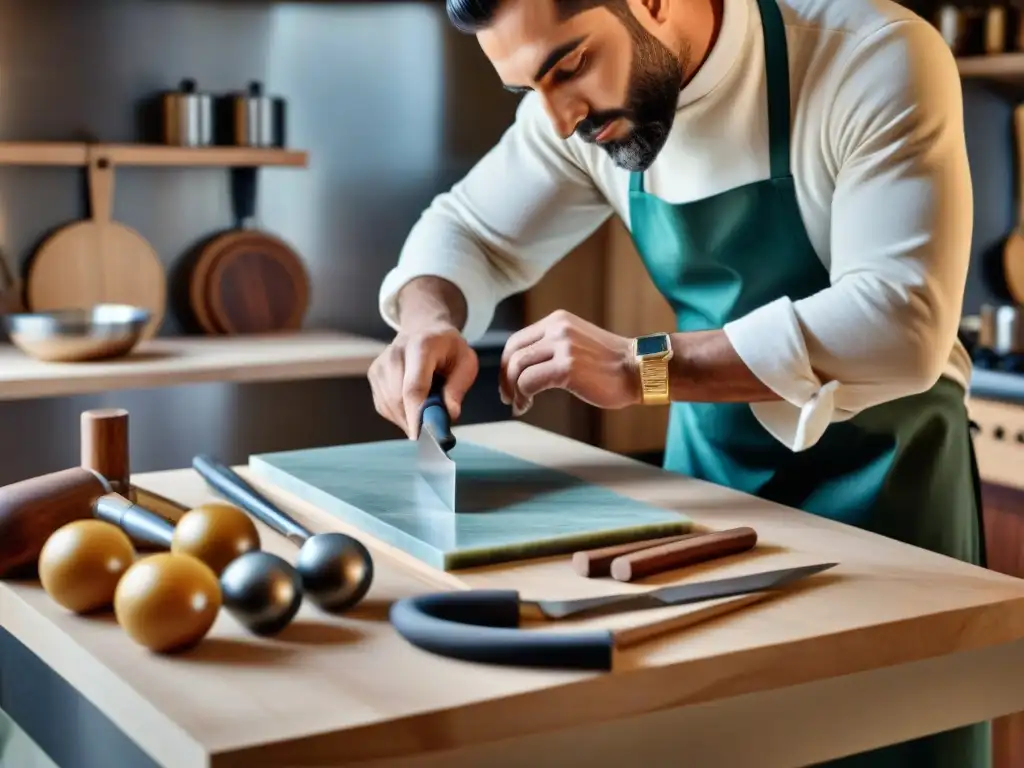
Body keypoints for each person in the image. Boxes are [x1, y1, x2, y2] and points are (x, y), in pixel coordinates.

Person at [370, 0, 987, 764]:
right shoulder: (582, 115)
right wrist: (426, 318)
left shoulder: (873, 55)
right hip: (708, 505)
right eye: (530, 88)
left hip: (891, 501)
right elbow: (465, 231)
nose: (561, 119)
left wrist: (641, 369)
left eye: (567, 66)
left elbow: (901, 324)